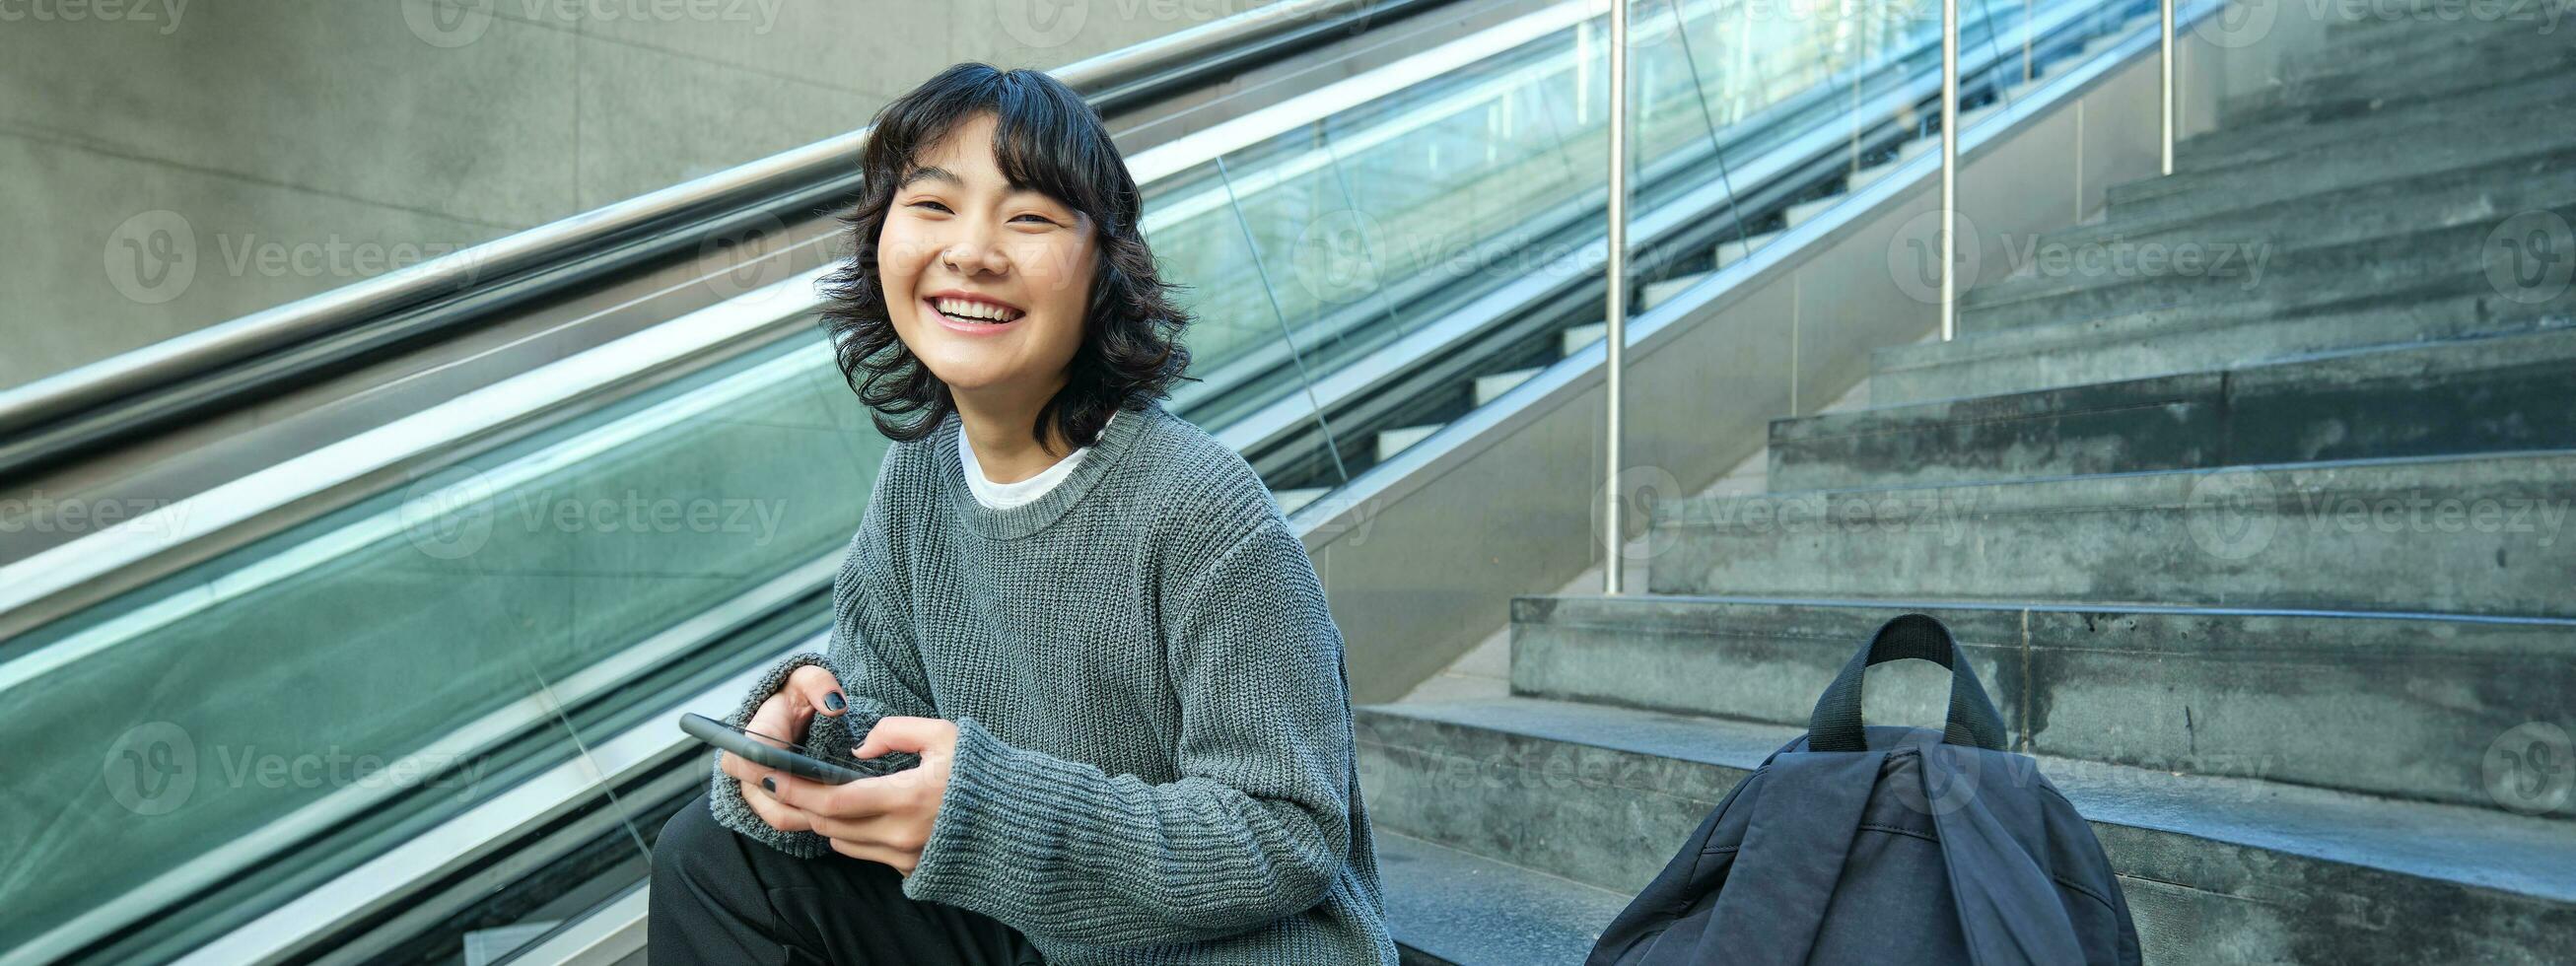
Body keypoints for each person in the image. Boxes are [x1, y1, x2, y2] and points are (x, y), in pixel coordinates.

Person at [647, 62, 1398, 966]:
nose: (971, 251)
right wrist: (805, 742)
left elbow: (1285, 840)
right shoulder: (919, 479)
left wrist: (989, 813)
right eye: (931, 205)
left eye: (1030, 217)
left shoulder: (1203, 509)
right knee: (712, 855)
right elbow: (889, 724)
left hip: (1222, 953)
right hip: (1033, 931)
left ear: (1104, 271)